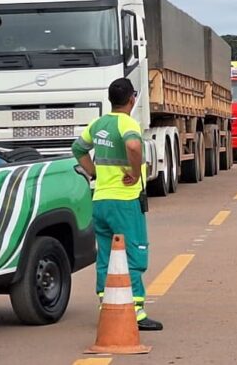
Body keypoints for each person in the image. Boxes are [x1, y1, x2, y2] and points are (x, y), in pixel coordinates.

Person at [72, 78, 163, 331]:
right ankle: (135, 311)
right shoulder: (127, 123)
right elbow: (134, 145)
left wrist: (95, 174)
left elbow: (77, 148)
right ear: (132, 99)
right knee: (134, 254)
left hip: (100, 201)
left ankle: (107, 306)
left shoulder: (98, 123)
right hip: (124, 202)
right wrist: (135, 173)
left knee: (106, 257)